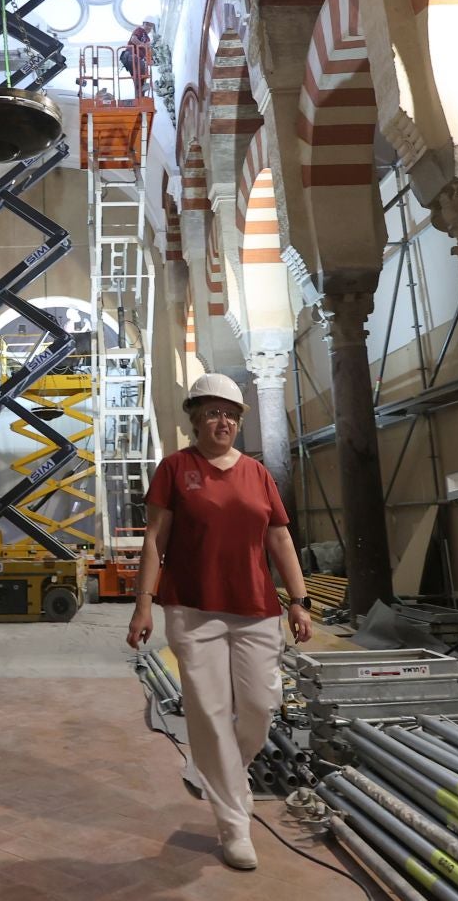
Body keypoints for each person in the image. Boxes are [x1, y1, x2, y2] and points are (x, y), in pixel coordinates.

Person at [126, 372, 314, 872]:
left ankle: (218, 769)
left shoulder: (257, 473)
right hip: (192, 609)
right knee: (209, 713)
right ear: (195, 419)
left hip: (256, 608)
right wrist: (143, 603)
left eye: (230, 414)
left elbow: (280, 539)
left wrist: (299, 600)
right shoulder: (176, 468)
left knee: (259, 706)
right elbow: (155, 539)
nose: (222, 421)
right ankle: (234, 823)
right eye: (212, 412)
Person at [125, 20, 154, 98]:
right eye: (147, 24)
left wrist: (151, 60)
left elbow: (147, 52)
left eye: (150, 26)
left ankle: (140, 97)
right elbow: (133, 39)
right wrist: (143, 44)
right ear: (143, 24)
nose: (149, 27)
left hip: (137, 59)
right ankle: (140, 91)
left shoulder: (148, 39)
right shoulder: (139, 30)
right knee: (139, 66)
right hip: (129, 55)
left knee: (142, 77)